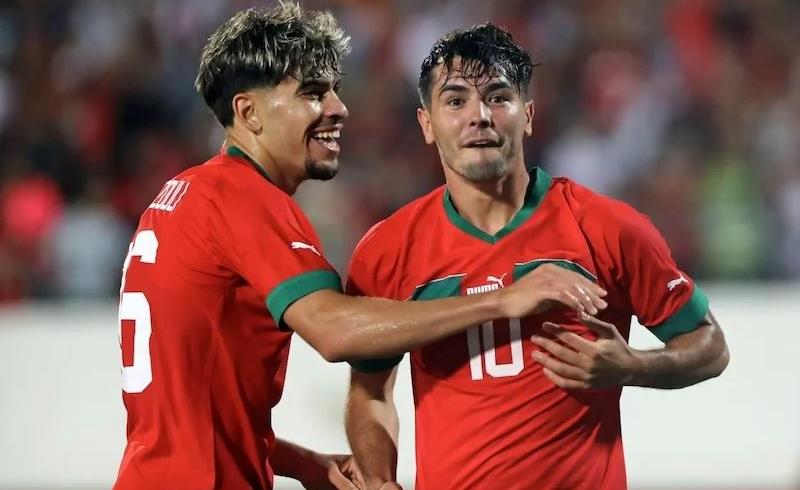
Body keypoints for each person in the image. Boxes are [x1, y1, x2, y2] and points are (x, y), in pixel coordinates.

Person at [113, 6, 607, 490]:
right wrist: (500, 300)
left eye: (334, 90)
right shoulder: (242, 198)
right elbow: (336, 331)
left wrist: (302, 463)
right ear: (248, 112)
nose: (337, 108)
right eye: (312, 93)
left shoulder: (182, 196)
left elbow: (186, 412)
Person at [345, 23, 730, 490]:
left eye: (498, 97)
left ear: (528, 115)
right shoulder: (388, 251)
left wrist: (633, 365)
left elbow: (709, 345)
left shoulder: (608, 228)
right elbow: (369, 390)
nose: (479, 116)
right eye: (456, 101)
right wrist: (379, 479)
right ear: (427, 124)